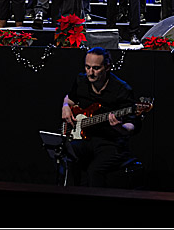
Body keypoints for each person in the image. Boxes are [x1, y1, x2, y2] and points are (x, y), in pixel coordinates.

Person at [60, 47, 141, 188]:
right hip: (85, 138)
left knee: (95, 171)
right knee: (67, 157)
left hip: (110, 142)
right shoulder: (81, 80)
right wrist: (65, 106)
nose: (90, 72)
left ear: (107, 67)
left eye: (96, 68)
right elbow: (69, 98)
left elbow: (133, 125)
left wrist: (119, 127)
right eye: (87, 67)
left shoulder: (121, 90)